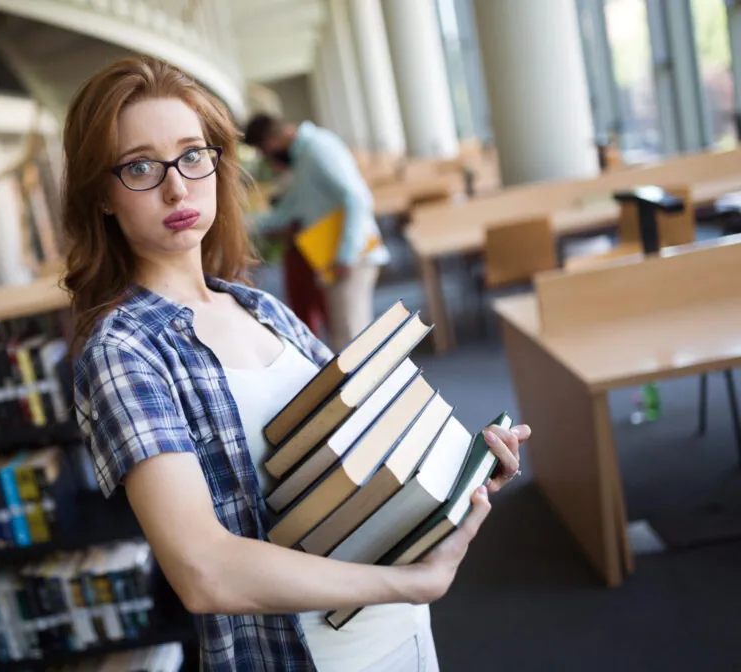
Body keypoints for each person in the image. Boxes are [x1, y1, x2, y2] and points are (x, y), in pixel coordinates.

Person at [64, 55, 530, 671]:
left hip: (403, 637)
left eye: (192, 155)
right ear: (102, 193)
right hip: (302, 656)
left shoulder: (261, 307)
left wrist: (460, 475)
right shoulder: (124, 351)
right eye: (141, 167)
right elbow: (204, 572)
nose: (177, 186)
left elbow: (361, 452)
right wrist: (409, 583)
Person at [243, 114, 390, 353]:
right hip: (331, 257)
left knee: (353, 342)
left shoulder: (317, 149)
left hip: (351, 257)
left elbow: (356, 198)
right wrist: (236, 223)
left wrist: (346, 255)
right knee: (347, 337)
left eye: (265, 150)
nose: (268, 159)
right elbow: (286, 212)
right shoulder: (302, 160)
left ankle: (374, 391)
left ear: (273, 139)